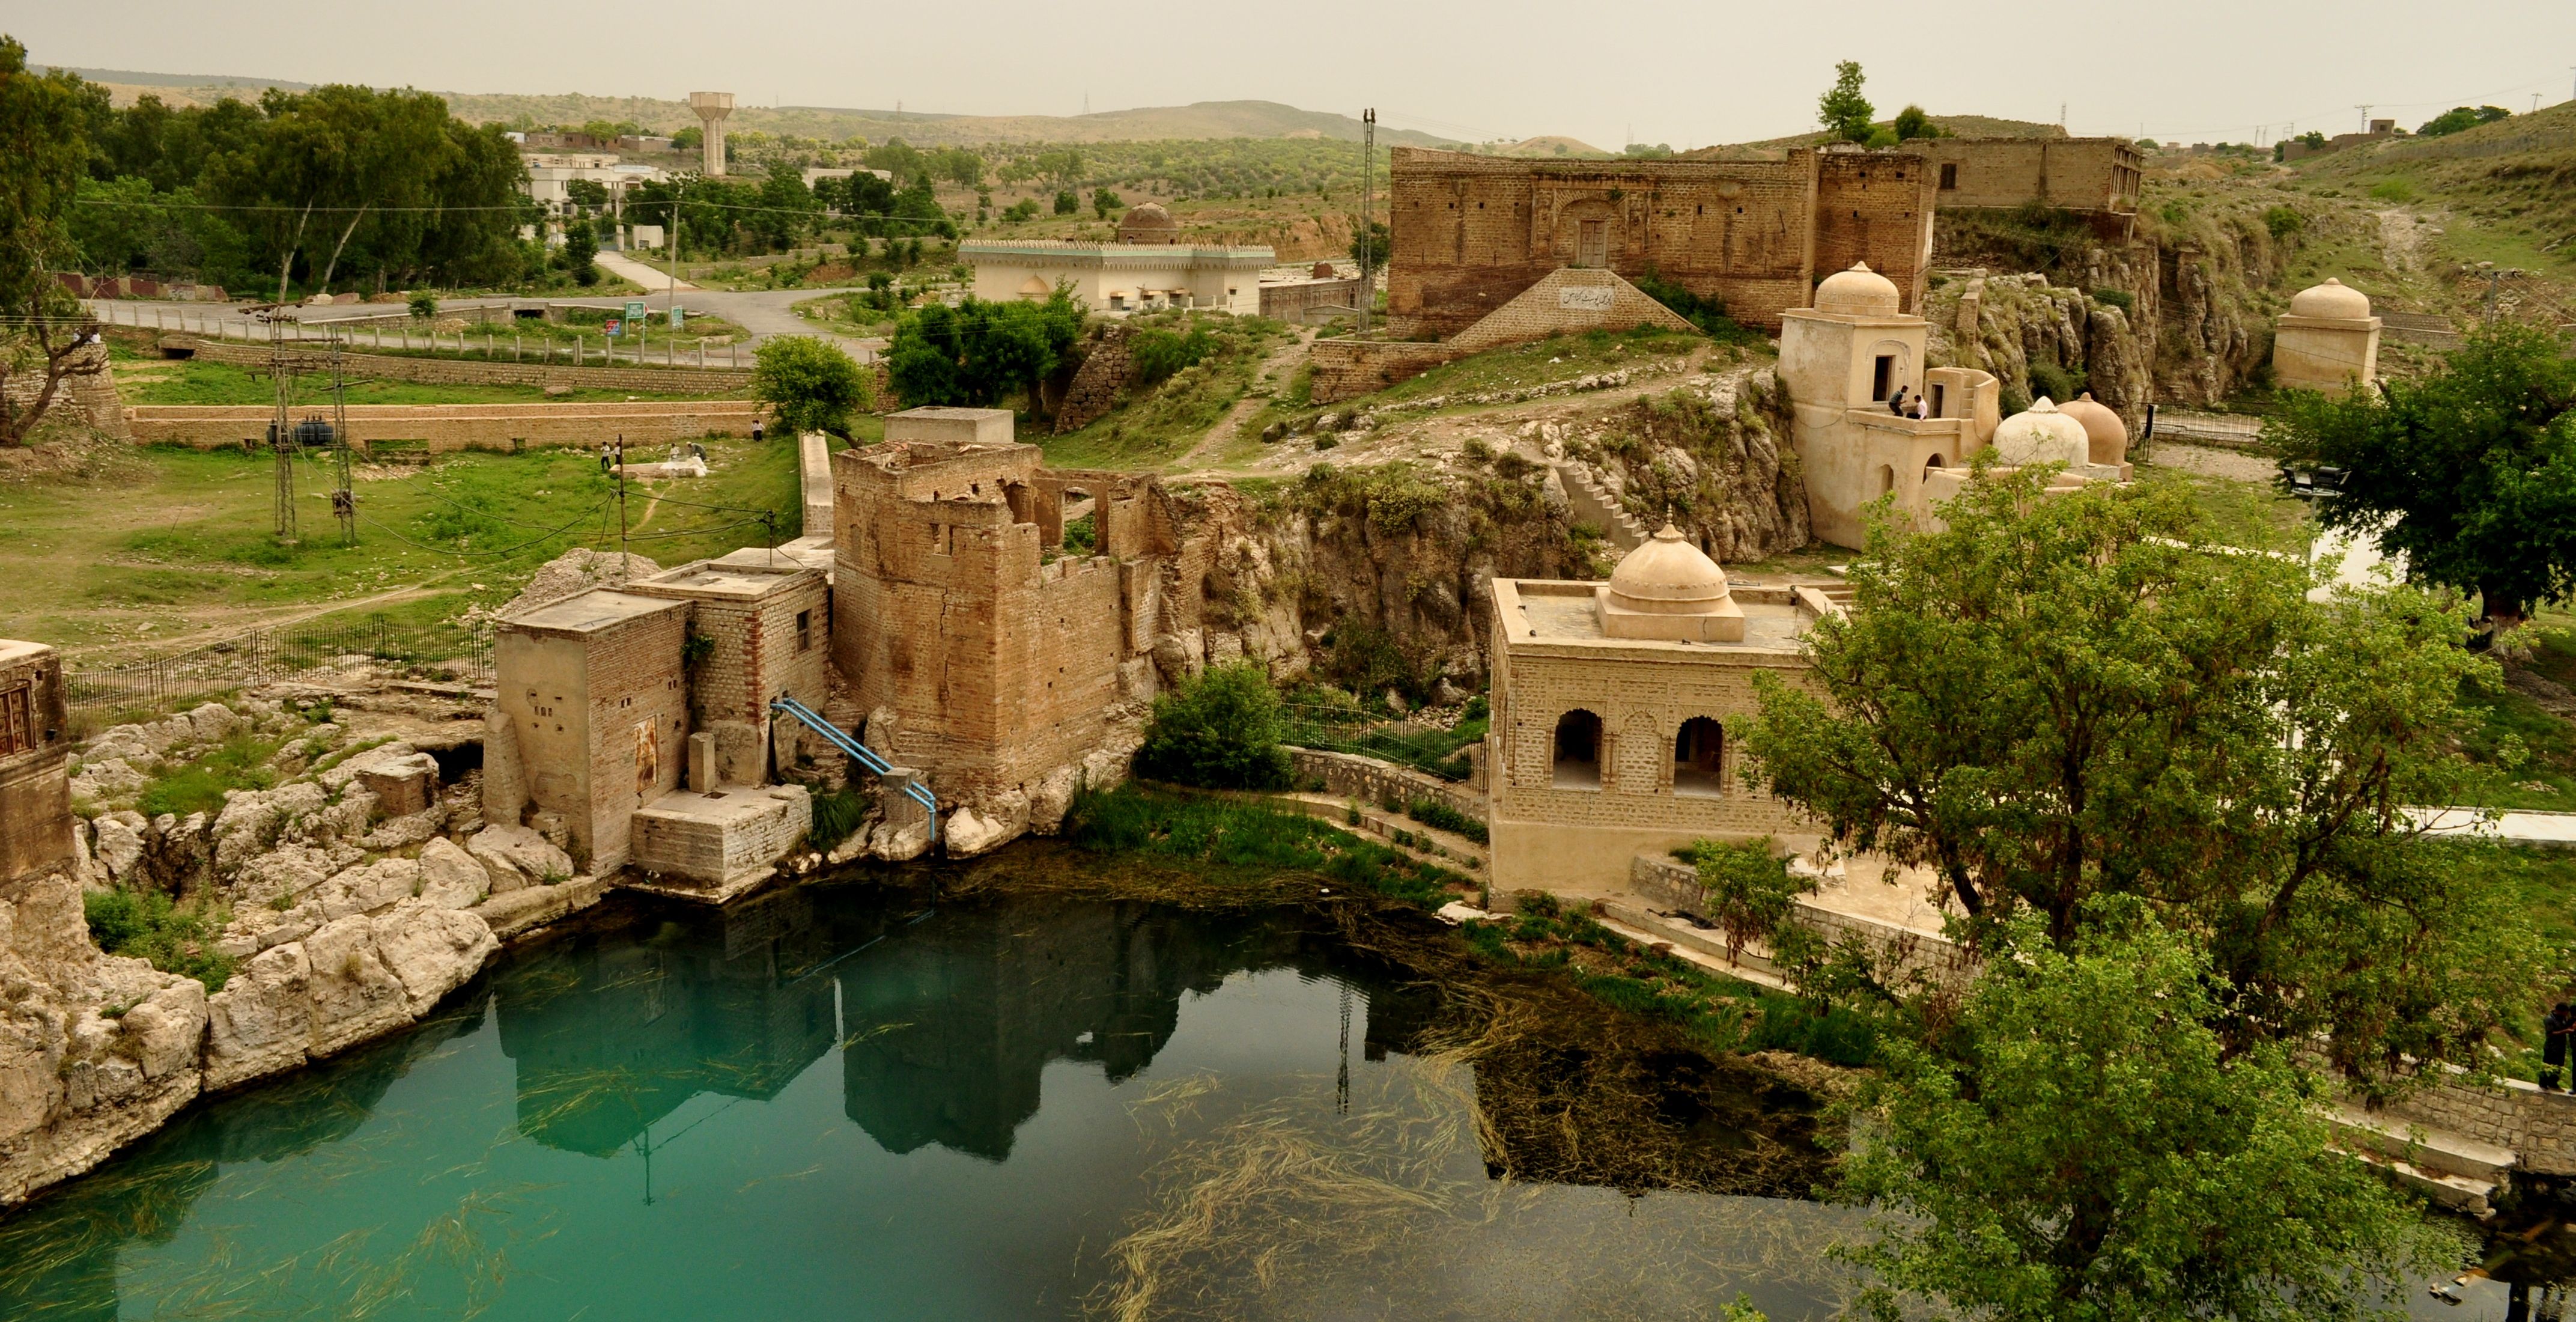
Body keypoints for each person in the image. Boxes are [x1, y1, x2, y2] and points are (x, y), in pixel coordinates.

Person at [2547, 1002, 2576, 1091]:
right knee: (2549, 1065)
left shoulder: (2564, 1019)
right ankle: (2545, 1084)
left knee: (2559, 1066)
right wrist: (2569, 1030)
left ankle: (2554, 1084)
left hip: (2562, 1047)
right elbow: (2551, 1033)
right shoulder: (2550, 1019)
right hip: (2555, 1046)